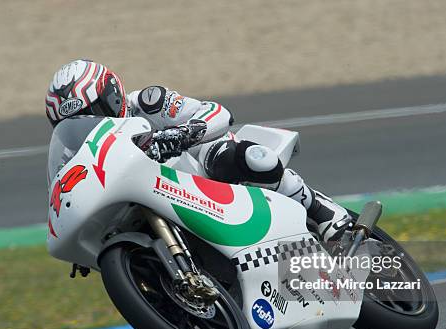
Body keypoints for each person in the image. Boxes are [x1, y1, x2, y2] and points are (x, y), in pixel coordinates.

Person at [46, 59, 350, 242]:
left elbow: (217, 111)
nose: (93, 123)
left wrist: (182, 134)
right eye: (75, 123)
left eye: (96, 111)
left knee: (253, 159)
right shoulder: (71, 154)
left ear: (113, 94)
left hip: (198, 170)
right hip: (139, 197)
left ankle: (322, 213)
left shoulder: (148, 102)